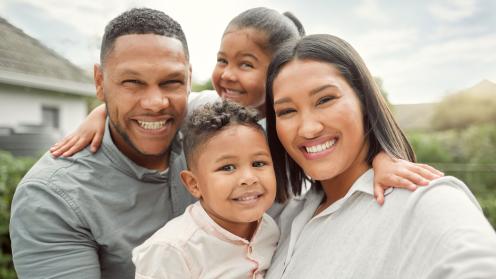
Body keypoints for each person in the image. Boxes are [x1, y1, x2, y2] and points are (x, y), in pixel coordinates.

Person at [49, 7, 442, 203]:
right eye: (222, 60)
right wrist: (101, 111)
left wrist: (383, 158)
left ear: (278, 74)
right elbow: (154, 108)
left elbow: (348, 144)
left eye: (246, 65)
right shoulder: (207, 109)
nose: (227, 75)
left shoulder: (297, 131)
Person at [263, 34, 496, 278]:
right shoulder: (284, 215)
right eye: (287, 111)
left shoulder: (423, 199)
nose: (308, 129)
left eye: (325, 99)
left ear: (364, 101)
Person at [9, 8, 196, 278]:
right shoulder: (52, 197)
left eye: (171, 82)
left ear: (189, 80)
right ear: (100, 82)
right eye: (132, 82)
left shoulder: (211, 134)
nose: (155, 103)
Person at [133, 100, 279, 278]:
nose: (248, 179)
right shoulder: (172, 251)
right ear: (194, 184)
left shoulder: (270, 228)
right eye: (227, 167)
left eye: (258, 163)